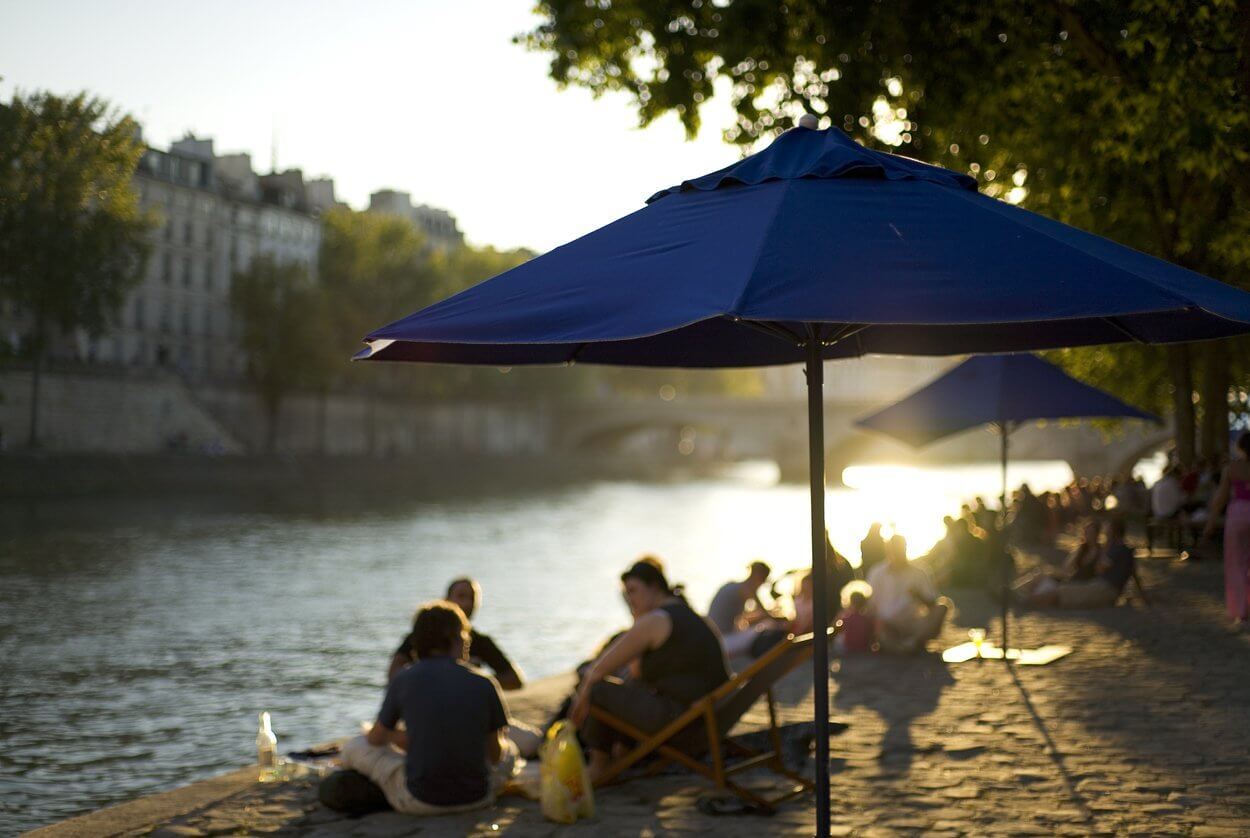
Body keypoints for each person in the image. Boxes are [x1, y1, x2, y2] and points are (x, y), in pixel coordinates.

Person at [341, 601, 518, 815]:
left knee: (354, 746)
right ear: (452, 638)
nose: (467, 640)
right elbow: (495, 755)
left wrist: (401, 737)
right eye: (464, 634)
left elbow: (376, 739)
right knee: (512, 751)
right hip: (477, 798)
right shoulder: (484, 682)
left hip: (420, 800)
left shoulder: (404, 678)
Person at [571, 558, 729, 785]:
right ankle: (620, 754)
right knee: (628, 688)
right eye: (627, 594)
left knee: (597, 689)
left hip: (683, 722)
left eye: (633, 591)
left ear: (654, 586)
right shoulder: (688, 614)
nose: (630, 599)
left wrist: (582, 696)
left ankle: (598, 766)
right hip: (705, 716)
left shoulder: (657, 620)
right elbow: (637, 675)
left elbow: (597, 670)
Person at [389, 578, 523, 690]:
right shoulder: (421, 635)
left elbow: (515, 680)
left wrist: (472, 676)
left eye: (472, 598)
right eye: (461, 596)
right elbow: (393, 673)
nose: (467, 603)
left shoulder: (481, 642)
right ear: (446, 600)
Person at [866, 535, 950, 654]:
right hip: (886, 624)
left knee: (942, 608)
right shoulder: (877, 572)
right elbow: (870, 604)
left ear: (905, 548)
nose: (897, 552)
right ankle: (905, 647)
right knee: (881, 630)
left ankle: (911, 643)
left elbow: (932, 603)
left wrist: (919, 596)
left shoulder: (919, 573)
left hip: (912, 624)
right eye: (894, 548)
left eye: (899, 548)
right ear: (888, 550)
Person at [1203, 432, 1250, 628]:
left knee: (1236, 563)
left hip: (1238, 513)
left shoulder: (1232, 468)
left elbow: (1220, 498)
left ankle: (1241, 611)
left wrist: (1210, 523)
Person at [706, 560, 772, 635]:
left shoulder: (734, 586)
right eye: (763, 580)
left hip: (715, 635)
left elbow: (743, 619)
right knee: (767, 627)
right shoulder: (745, 590)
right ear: (757, 576)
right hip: (723, 638)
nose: (762, 584)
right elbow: (765, 614)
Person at [834, 586, 874, 654]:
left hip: (847, 648)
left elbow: (835, 628)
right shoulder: (867, 619)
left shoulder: (845, 618)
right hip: (862, 649)